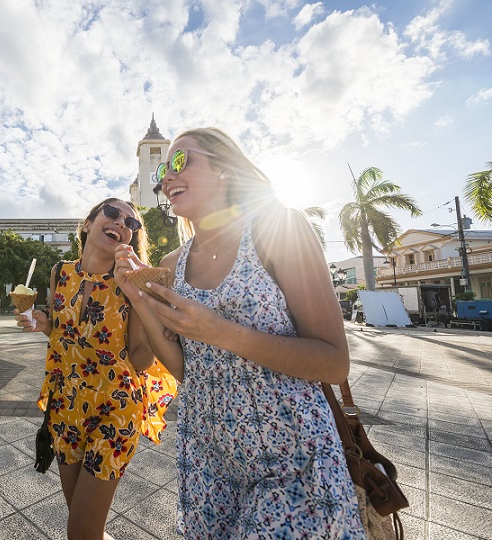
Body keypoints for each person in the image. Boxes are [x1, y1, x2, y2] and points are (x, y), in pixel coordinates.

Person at [115, 128, 364, 538]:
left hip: (290, 454)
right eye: (163, 169)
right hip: (206, 458)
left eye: (180, 162)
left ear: (225, 169)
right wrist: (139, 300)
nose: (165, 178)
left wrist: (223, 332)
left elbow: (334, 362)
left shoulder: (278, 228)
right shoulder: (172, 261)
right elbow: (187, 371)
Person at [16, 198, 177, 540]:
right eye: (113, 213)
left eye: (132, 224)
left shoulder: (132, 283)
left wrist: (150, 313)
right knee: (83, 521)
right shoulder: (60, 271)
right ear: (88, 224)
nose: (122, 223)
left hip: (115, 410)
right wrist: (42, 322)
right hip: (65, 406)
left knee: (81, 531)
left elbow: (140, 360)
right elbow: (63, 327)